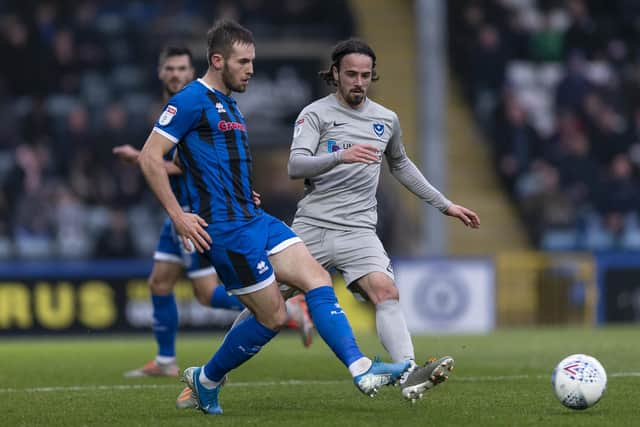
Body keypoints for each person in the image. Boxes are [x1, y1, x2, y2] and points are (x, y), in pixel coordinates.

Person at [138, 20, 412, 415]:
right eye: (243, 62)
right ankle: (206, 378)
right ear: (217, 60)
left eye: (252, 61)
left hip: (255, 218)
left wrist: (232, 185)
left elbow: (192, 156)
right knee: (272, 318)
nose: (251, 69)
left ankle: (362, 368)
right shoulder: (189, 100)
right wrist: (179, 214)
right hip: (227, 233)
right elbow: (151, 156)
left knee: (316, 278)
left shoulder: (228, 102)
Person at [286, 38, 481, 402]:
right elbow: (295, 166)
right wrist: (340, 155)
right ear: (334, 74)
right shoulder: (315, 114)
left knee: (386, 292)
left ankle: (409, 372)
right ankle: (210, 378)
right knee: (264, 304)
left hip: (358, 230)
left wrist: (445, 205)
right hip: (312, 225)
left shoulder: (386, 119)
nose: (359, 82)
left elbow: (401, 165)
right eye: (351, 75)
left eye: (365, 75)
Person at [114, 46, 313, 383]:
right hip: (176, 213)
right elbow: (180, 162)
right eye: (170, 69)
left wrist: (138, 157)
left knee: (206, 293)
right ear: (160, 73)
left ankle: (287, 310)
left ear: (193, 72)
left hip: (199, 214)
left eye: (182, 69)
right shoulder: (174, 109)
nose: (176, 74)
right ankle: (165, 359)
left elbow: (185, 166)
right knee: (159, 282)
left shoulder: (198, 105)